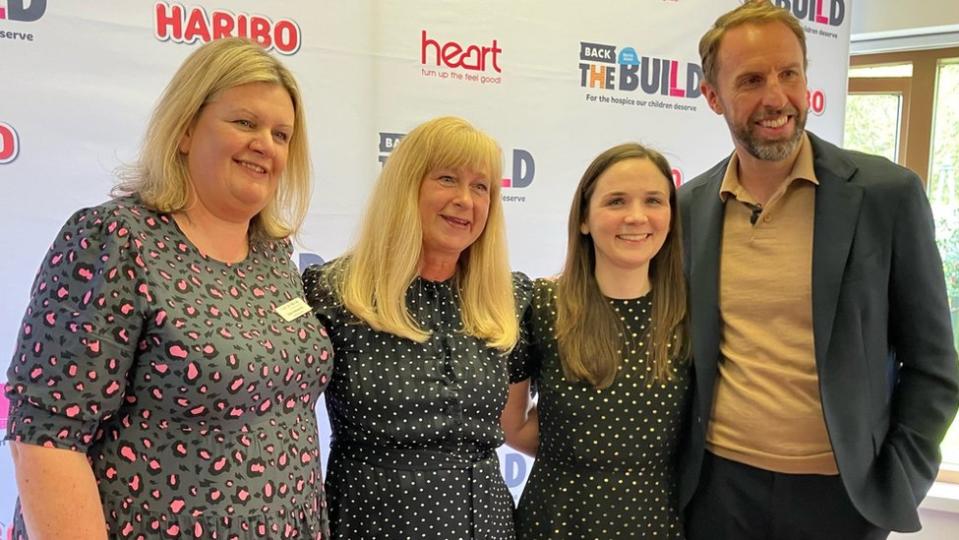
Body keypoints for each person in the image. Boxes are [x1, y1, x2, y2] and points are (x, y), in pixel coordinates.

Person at [5, 38, 333, 539]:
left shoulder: (273, 255)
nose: (265, 144)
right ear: (184, 130)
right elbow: (48, 436)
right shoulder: (115, 241)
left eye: (281, 134)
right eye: (245, 123)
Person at [677, 2, 959, 539]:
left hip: (843, 502)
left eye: (790, 73)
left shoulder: (886, 195)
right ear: (713, 97)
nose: (776, 97)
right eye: (752, 80)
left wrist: (895, 483)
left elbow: (934, 366)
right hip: (718, 496)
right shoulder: (689, 207)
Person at [302, 116, 529, 540]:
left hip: (488, 524)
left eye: (481, 187)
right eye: (447, 178)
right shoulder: (332, 291)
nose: (466, 200)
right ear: (406, 186)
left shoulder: (509, 297)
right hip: (372, 522)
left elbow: (522, 420)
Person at [502, 143, 690, 539]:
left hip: (657, 522)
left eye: (653, 200)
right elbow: (514, 428)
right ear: (584, 219)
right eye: (616, 201)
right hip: (557, 520)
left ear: (671, 217)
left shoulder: (693, 312)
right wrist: (580, 456)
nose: (636, 216)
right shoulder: (540, 306)